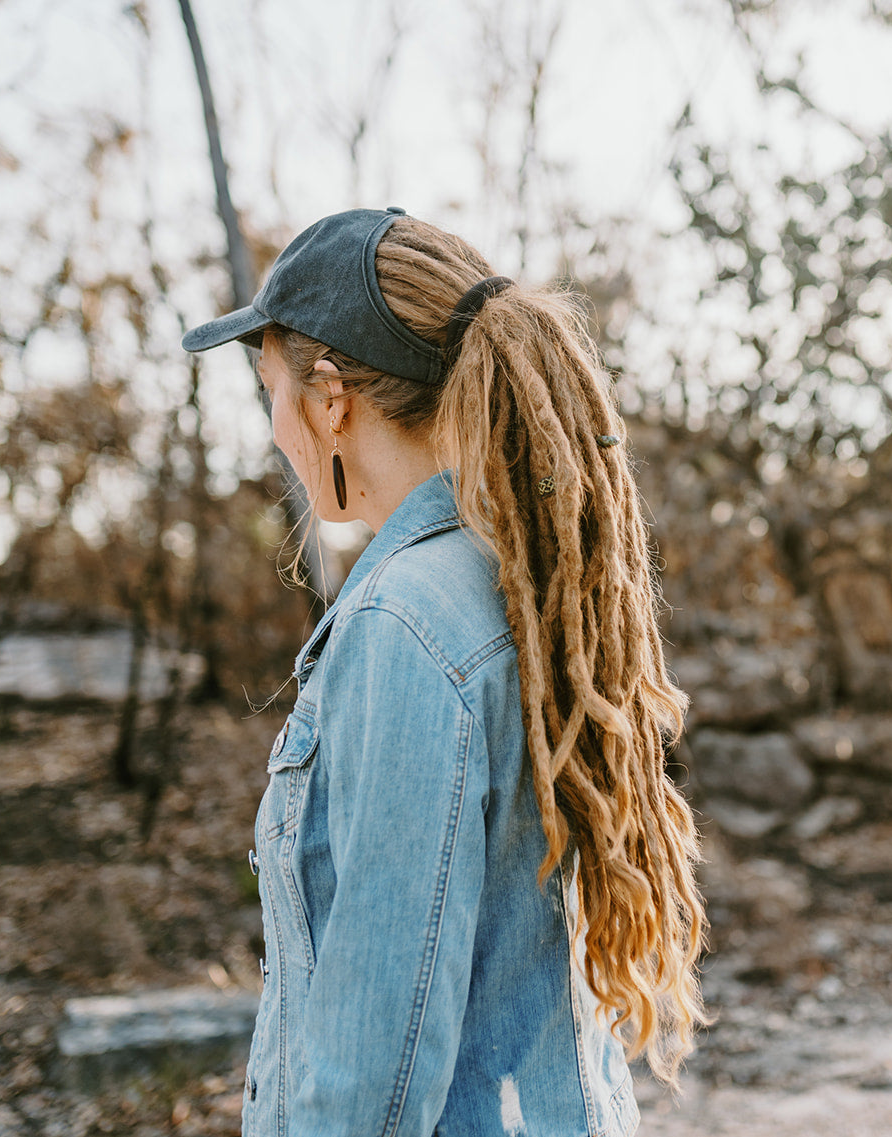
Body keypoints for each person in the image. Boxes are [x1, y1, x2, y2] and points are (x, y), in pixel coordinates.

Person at [181, 206, 707, 1137]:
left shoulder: (403, 624)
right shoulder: (517, 580)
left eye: (271, 390)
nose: (275, 428)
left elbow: (374, 1069)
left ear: (330, 398)